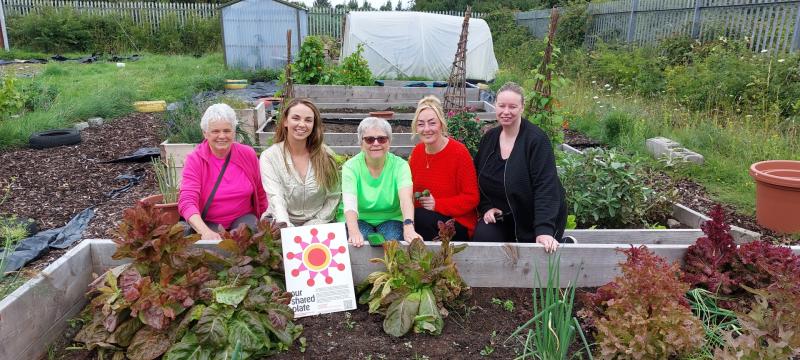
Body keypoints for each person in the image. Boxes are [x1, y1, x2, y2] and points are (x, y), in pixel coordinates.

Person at [473, 82, 568, 253]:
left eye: (513, 106)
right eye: (502, 106)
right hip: (503, 218)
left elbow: (546, 186)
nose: (506, 111)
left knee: (537, 256)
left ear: (522, 108)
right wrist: (486, 207)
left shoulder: (536, 140)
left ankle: (566, 244)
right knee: (483, 238)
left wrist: (544, 229)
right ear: (495, 105)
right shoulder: (489, 139)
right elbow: (478, 177)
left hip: (533, 220)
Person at [178, 103, 268, 240]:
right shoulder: (195, 160)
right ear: (205, 133)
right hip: (209, 223)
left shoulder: (247, 154)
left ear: (234, 131)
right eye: (215, 131)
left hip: (244, 220)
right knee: (219, 253)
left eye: (227, 130)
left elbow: (261, 194)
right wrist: (204, 231)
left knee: (249, 237)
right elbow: (187, 201)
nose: (222, 136)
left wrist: (265, 225)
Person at [339, 117, 422, 247]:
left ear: (389, 142)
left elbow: (406, 199)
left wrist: (408, 226)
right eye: (369, 139)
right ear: (361, 143)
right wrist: (353, 231)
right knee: (359, 245)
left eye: (382, 139)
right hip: (360, 218)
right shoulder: (350, 167)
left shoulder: (400, 165)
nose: (376, 143)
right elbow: (350, 202)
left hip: (391, 218)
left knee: (394, 245)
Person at [259, 98, 340, 226]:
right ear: (285, 121)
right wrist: (287, 227)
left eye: (308, 120)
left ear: (314, 125)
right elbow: (276, 197)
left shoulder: (327, 155)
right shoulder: (270, 157)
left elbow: (333, 197)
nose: (302, 124)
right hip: (280, 221)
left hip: (319, 222)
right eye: (296, 118)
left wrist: (312, 225)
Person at [408, 95, 478, 241]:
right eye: (421, 124)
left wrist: (437, 204)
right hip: (426, 219)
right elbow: (410, 192)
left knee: (419, 217)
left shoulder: (459, 152)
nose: (426, 129)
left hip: (456, 223)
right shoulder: (417, 152)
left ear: (441, 123)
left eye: (432, 123)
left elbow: (472, 198)